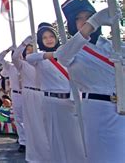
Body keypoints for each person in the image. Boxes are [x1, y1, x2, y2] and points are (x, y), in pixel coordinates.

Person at [50, 0, 124, 163]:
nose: (84, 21)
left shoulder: (115, 45)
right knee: (103, 157)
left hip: (123, 108)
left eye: (88, 16)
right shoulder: (72, 49)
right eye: (78, 18)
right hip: (98, 111)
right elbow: (62, 56)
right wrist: (93, 23)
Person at [26, 22, 86, 162]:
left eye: (51, 36)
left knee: (76, 140)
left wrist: (63, 52)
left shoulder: (68, 55)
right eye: (44, 37)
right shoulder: (39, 57)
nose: (49, 39)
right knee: (56, 140)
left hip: (72, 102)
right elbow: (29, 58)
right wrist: (54, 54)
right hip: (52, 103)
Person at [12, 37, 51, 162]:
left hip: (44, 94)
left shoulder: (42, 62)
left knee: (45, 125)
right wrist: (23, 43)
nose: (29, 52)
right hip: (29, 94)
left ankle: (47, 153)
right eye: (27, 50)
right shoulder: (22, 65)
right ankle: (35, 155)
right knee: (32, 125)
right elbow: (14, 57)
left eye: (31, 49)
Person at [0, 46, 26, 153]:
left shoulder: (27, 64)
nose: (19, 56)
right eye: (16, 54)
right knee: (19, 119)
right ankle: (23, 142)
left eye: (20, 53)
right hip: (16, 94)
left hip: (28, 93)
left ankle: (31, 139)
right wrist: (8, 49)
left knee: (30, 118)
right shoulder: (10, 66)